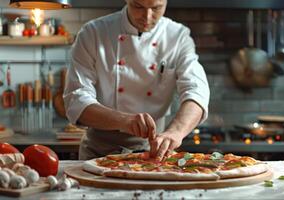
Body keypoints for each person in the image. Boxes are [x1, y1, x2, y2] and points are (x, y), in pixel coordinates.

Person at [64, 0, 210, 161]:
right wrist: (125, 121)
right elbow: (76, 100)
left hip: (154, 152)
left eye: (156, 8)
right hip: (98, 151)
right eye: (138, 6)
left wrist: (176, 131)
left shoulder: (177, 36)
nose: (147, 17)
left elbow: (197, 90)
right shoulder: (94, 33)